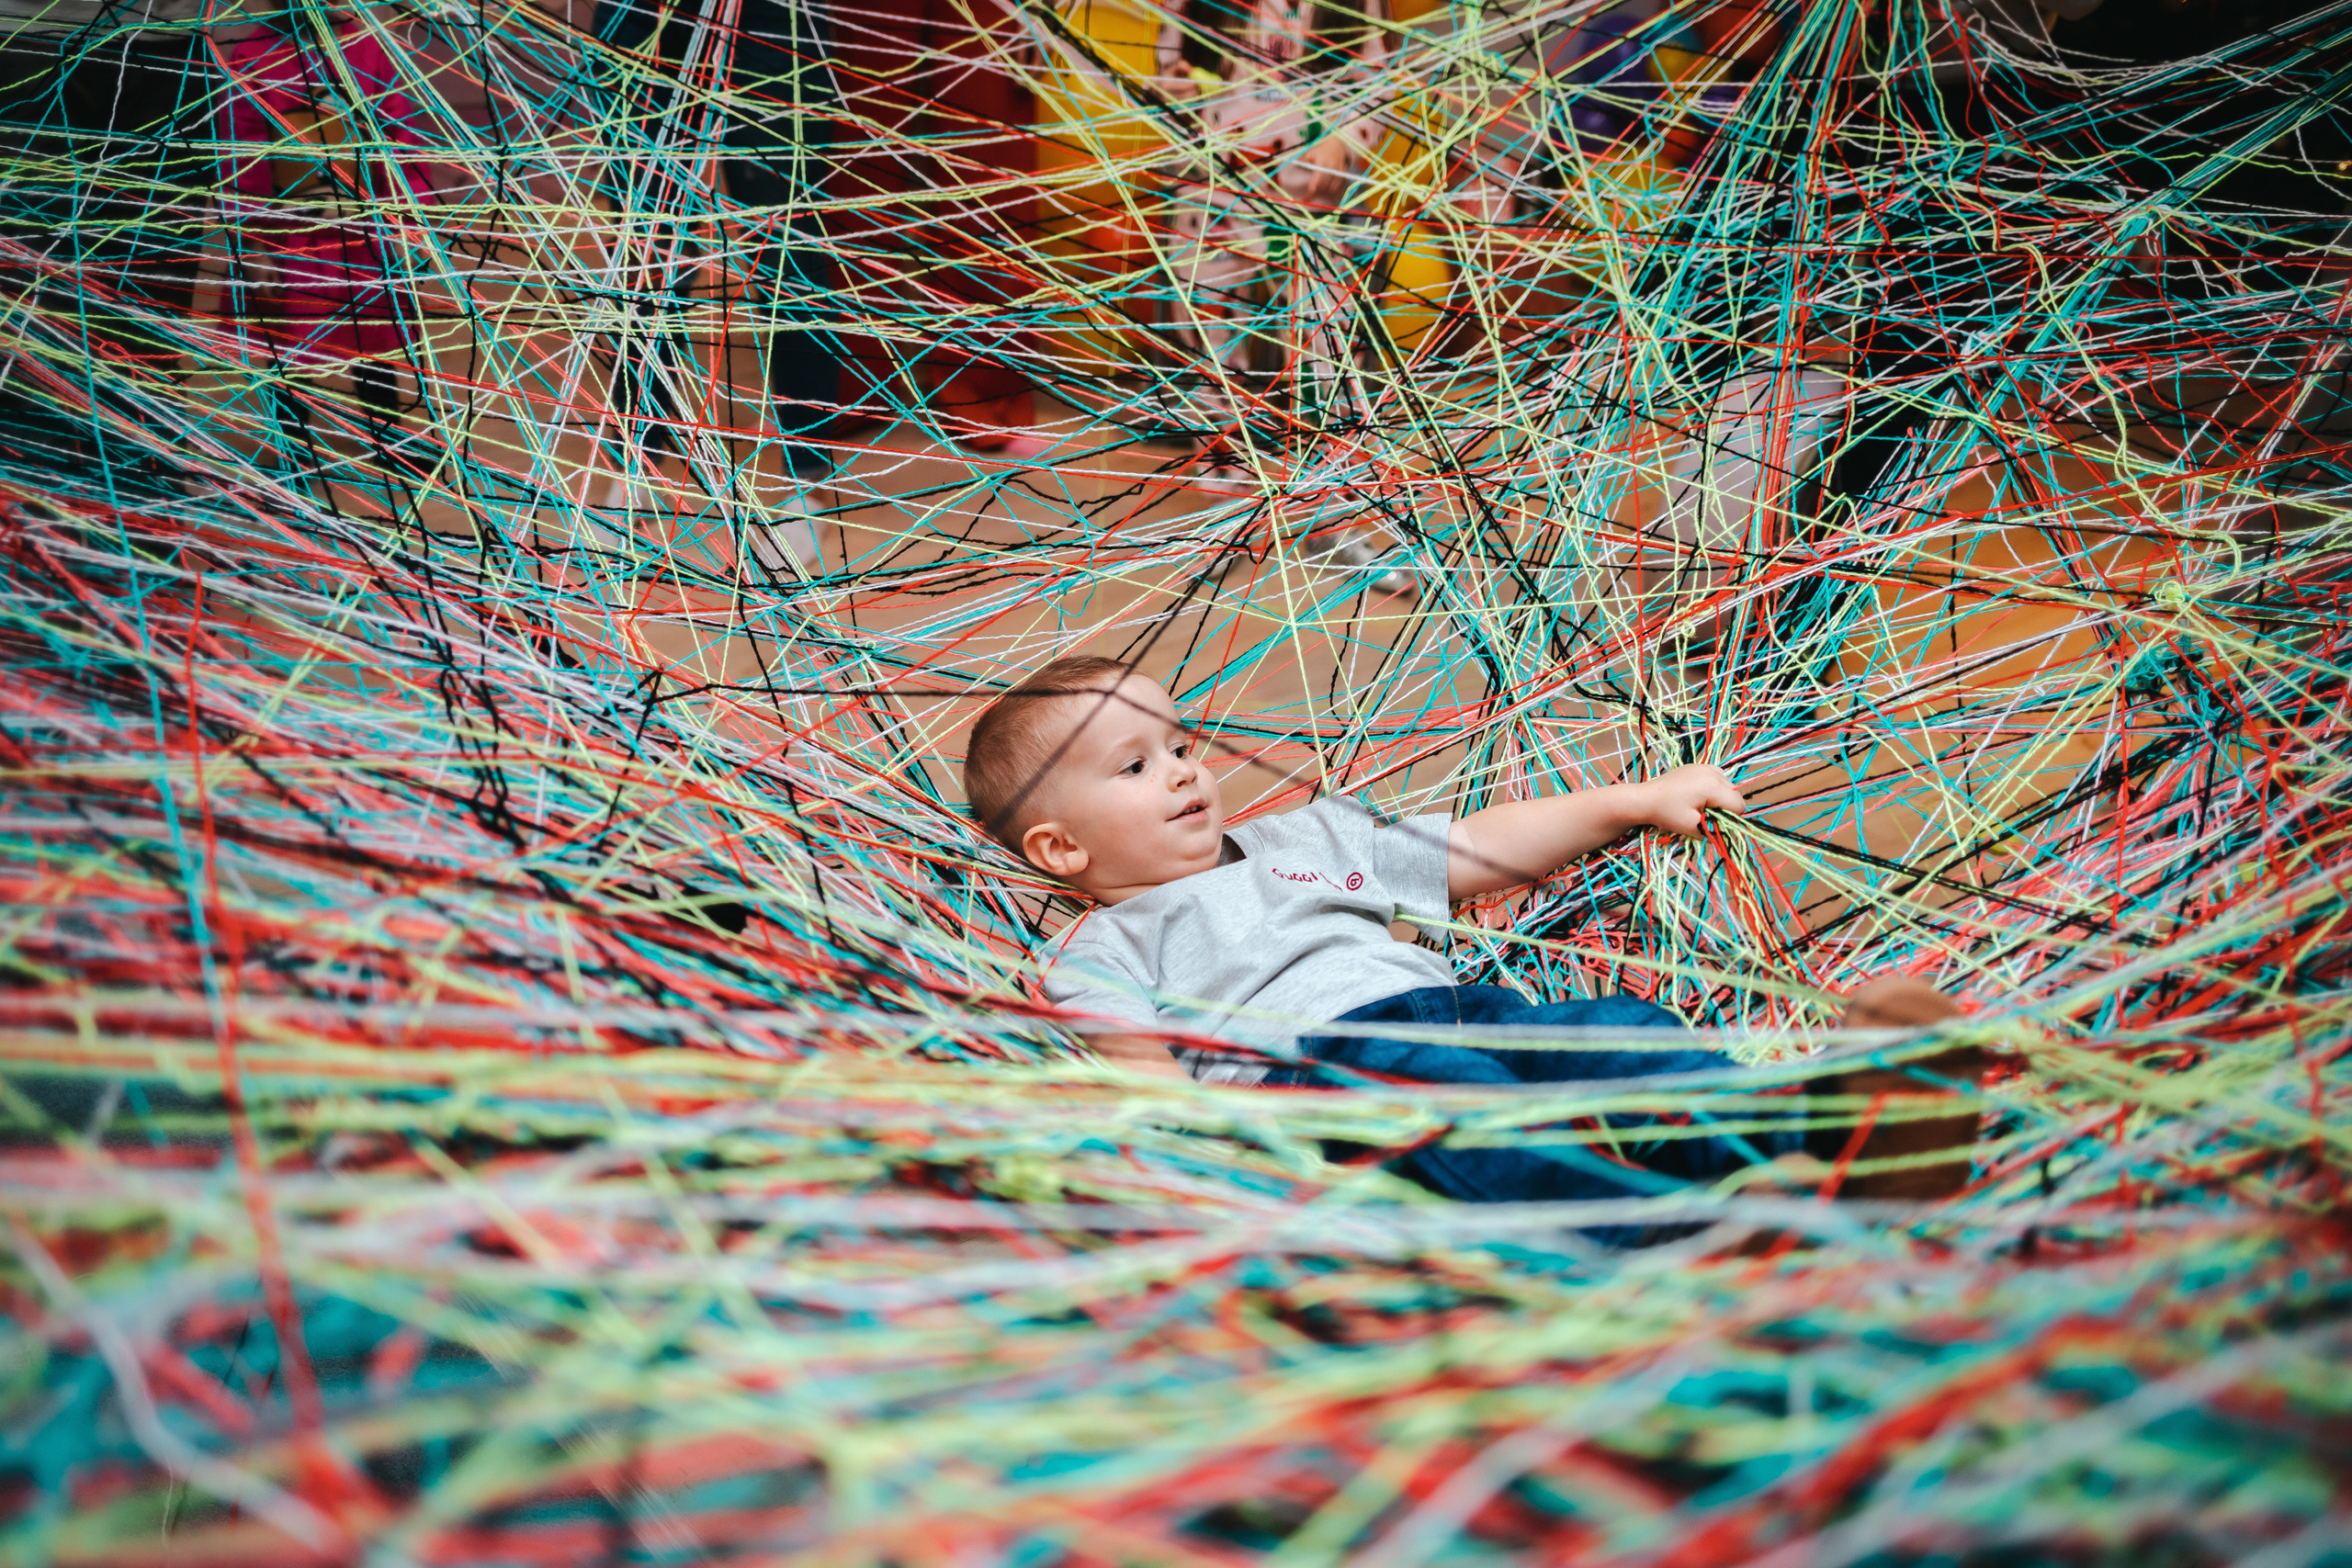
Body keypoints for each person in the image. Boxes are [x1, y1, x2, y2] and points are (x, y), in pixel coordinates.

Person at [965, 654, 1989, 1215]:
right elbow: (1137, 1070)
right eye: (1135, 766)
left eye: (1181, 743)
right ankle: (1690, 1233)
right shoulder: (1105, 949)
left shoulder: (1306, 835)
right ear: (1060, 851)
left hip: (1465, 1011)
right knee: (1477, 1126)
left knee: (1619, 1031)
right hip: (1323, 1076)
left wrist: (1630, 800)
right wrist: (1209, 1168)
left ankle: (1828, 1131)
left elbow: (1473, 851)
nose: (1186, 769)